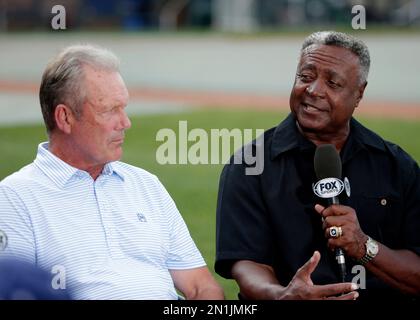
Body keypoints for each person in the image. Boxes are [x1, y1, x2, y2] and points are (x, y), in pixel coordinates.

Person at [0, 44, 224, 300]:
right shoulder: (15, 197)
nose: (125, 122)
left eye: (124, 107)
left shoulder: (146, 185)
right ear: (64, 118)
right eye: (109, 110)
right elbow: (15, 291)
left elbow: (200, 286)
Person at [215, 31, 420, 300]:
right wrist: (284, 295)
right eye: (306, 77)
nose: (313, 90)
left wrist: (363, 245)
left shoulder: (396, 165)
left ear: (359, 94)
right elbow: (246, 264)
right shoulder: (250, 165)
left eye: (333, 83)